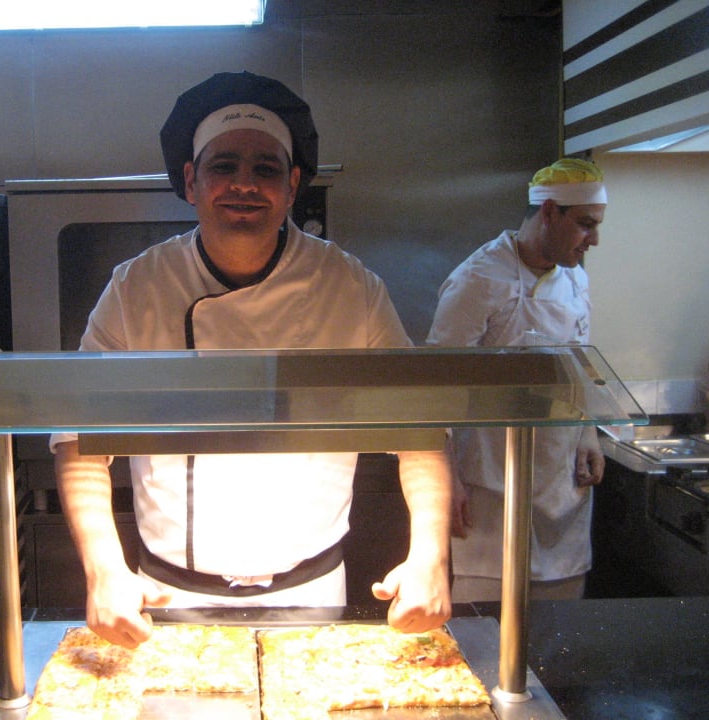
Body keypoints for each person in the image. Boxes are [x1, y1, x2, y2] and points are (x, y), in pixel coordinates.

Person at [51, 71, 453, 648]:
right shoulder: (137, 287)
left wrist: (430, 556)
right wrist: (103, 569)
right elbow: (78, 440)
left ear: (292, 186)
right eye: (224, 166)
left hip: (312, 594)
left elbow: (420, 432)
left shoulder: (349, 286)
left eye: (266, 169)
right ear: (191, 181)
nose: (244, 184)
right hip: (166, 598)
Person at [426, 158, 608, 602]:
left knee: (560, 624)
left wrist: (587, 430)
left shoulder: (575, 279)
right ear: (549, 211)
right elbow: (435, 384)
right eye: (585, 225)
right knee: (487, 623)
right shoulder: (479, 278)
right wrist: (445, 476)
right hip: (491, 490)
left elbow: (577, 361)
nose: (594, 240)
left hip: (561, 487)